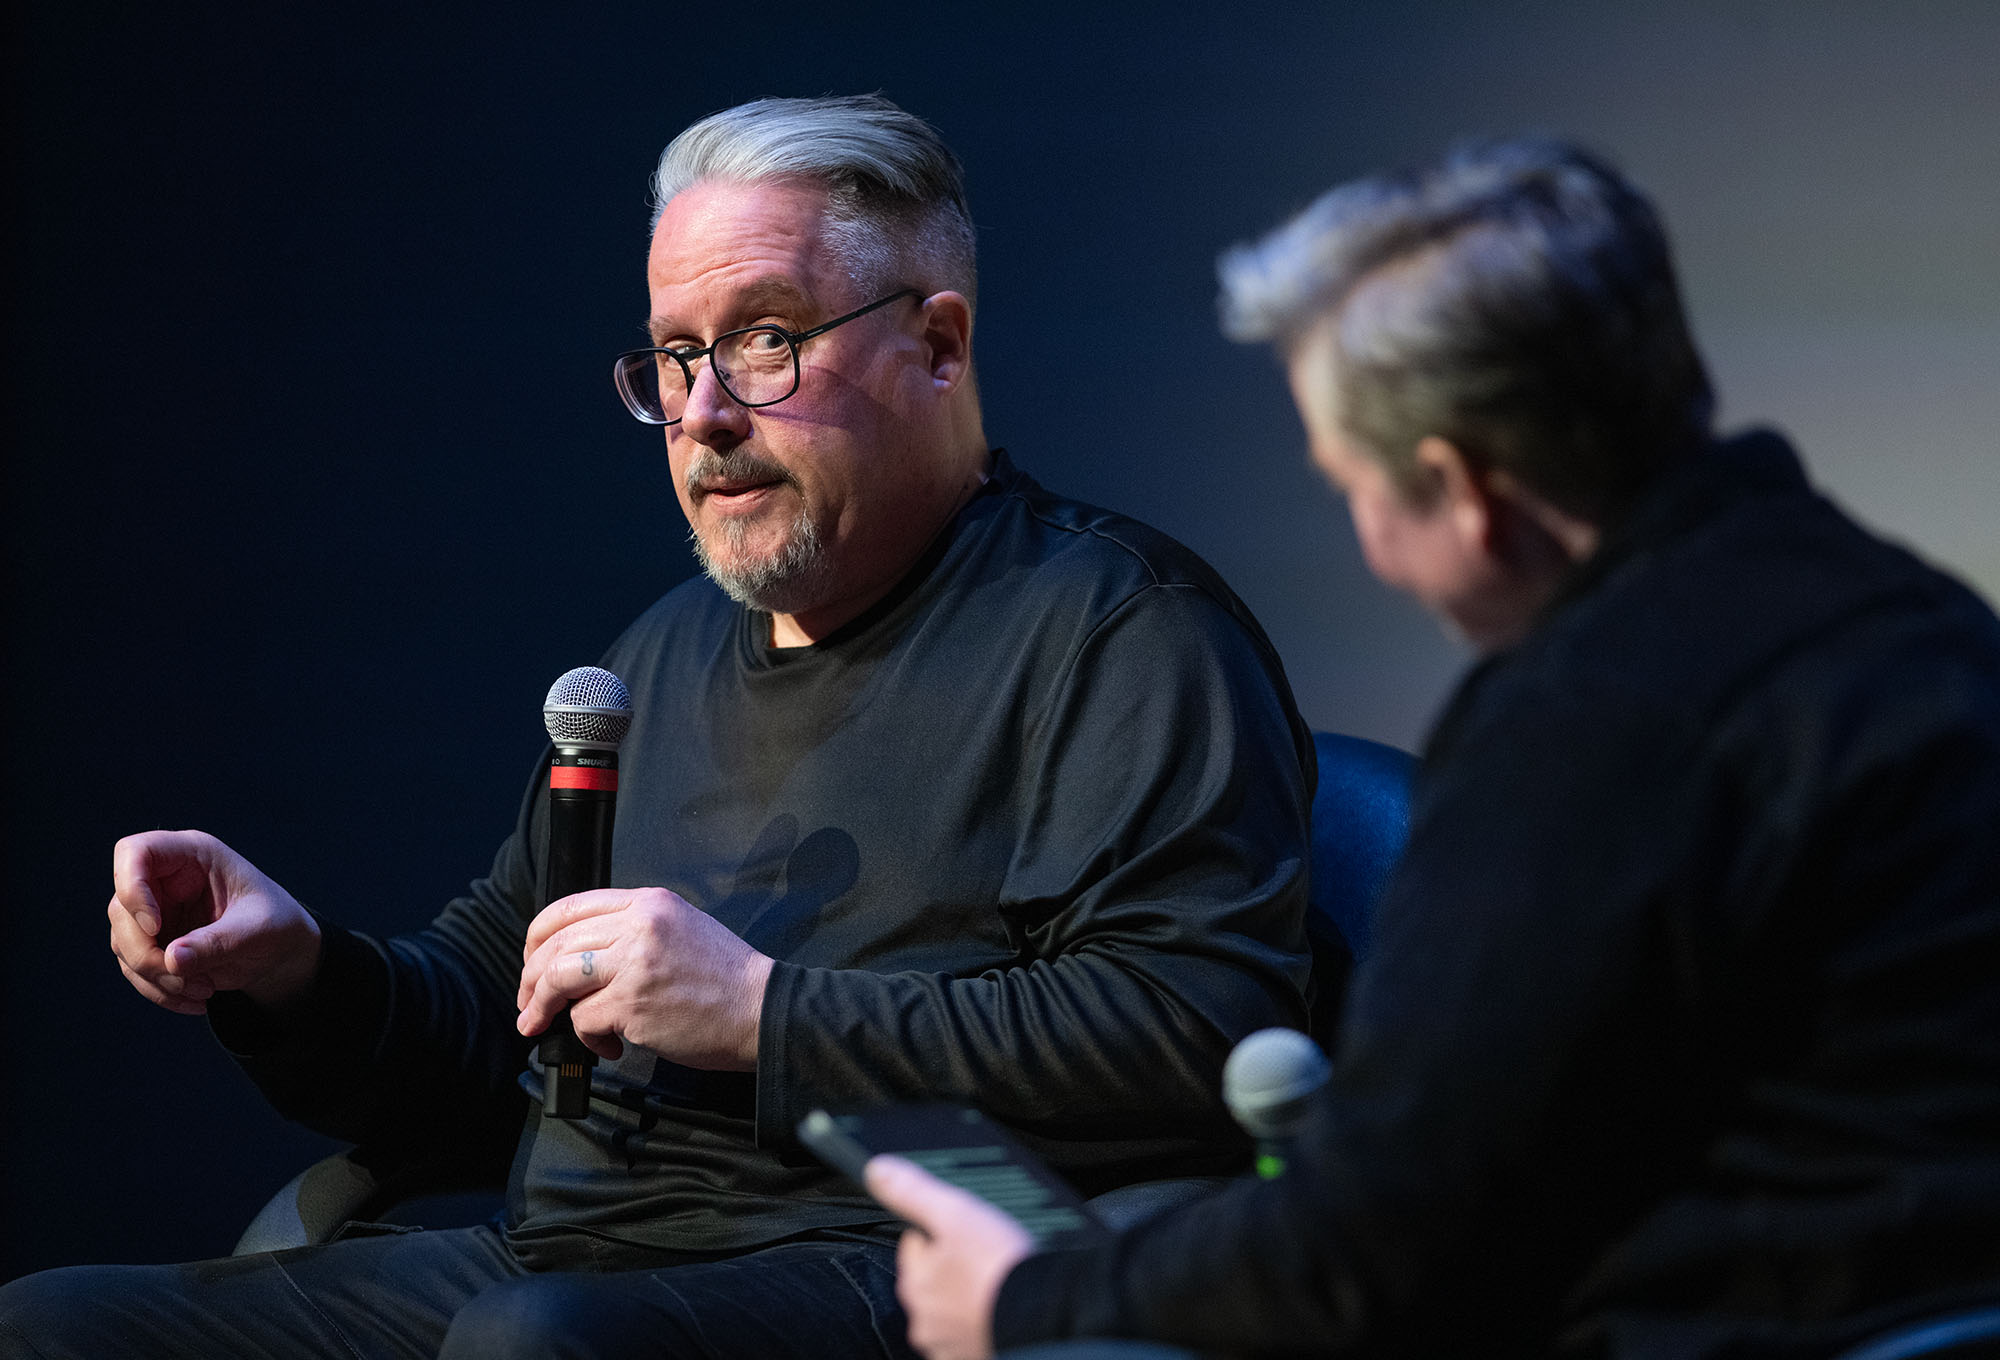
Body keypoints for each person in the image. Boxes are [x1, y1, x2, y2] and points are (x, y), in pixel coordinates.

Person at [0, 95, 1316, 1360]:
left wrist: (760, 1012)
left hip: (892, 1267)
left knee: (535, 1340)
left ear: (937, 345)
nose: (703, 412)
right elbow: (490, 1028)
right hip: (566, 1260)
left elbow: (1190, 1028)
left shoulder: (1117, 629)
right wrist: (294, 973)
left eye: (765, 340)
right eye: (677, 355)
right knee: (49, 1325)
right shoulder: (660, 654)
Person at [872, 138, 2000, 1360]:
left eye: (1354, 487)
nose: (1371, 547)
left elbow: (1373, 1249)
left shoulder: (1582, 728)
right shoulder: (1931, 625)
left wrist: (1025, 1300)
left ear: (1461, 490)